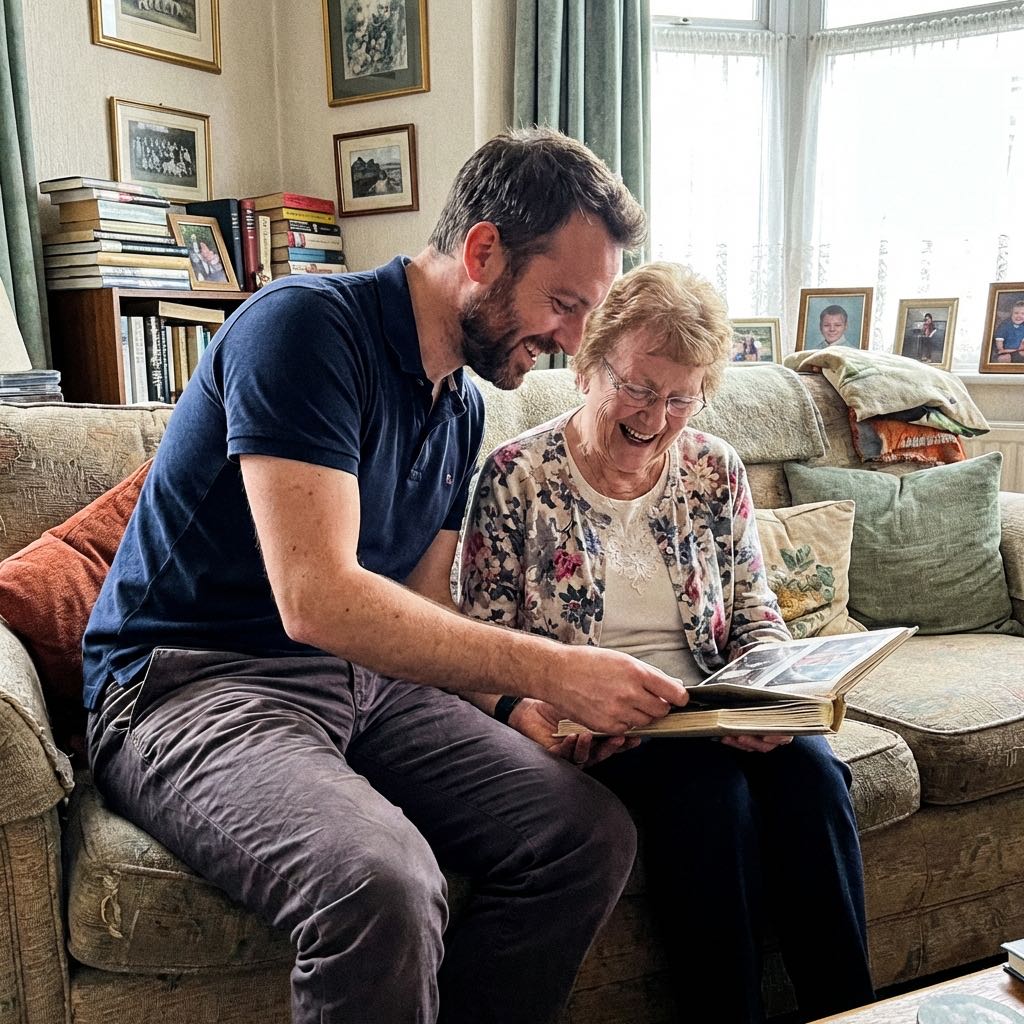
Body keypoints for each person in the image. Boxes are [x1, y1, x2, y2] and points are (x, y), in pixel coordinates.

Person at [82, 128, 691, 1024]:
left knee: (586, 836)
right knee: (381, 882)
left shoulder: (463, 406)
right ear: (482, 251)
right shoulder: (303, 330)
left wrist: (519, 713)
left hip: (365, 686)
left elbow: (420, 607)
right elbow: (318, 597)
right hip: (191, 683)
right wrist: (550, 670)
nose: (569, 343)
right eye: (563, 303)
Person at [459, 262, 875, 1024]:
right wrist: (527, 706)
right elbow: (476, 640)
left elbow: (754, 610)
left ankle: (852, 1014)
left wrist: (774, 697)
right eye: (640, 389)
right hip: (603, 724)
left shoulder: (715, 467)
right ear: (587, 367)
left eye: (682, 397)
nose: (657, 415)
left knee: (813, 774)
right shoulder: (513, 475)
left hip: (710, 705)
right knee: (707, 801)